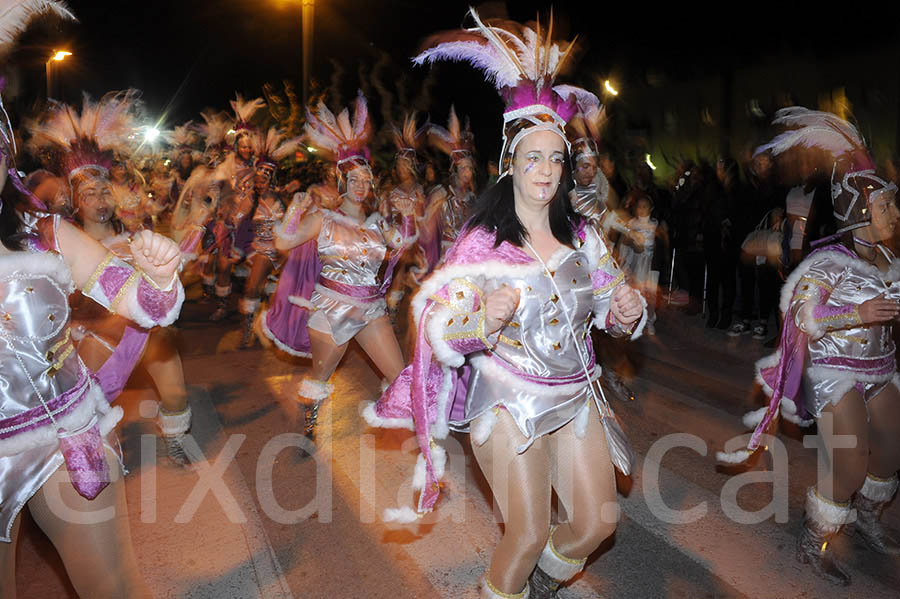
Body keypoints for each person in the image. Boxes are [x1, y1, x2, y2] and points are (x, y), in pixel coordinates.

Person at [369, 11, 646, 598]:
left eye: (556, 159)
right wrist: (479, 318)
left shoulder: (584, 236)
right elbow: (433, 320)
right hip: (508, 401)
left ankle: (545, 576)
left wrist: (625, 313)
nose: (546, 171)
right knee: (524, 534)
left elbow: (606, 308)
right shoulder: (481, 244)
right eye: (534, 157)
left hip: (575, 394)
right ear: (510, 163)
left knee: (600, 522)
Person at [0, 84, 184, 598]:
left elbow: (144, 304)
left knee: (114, 589)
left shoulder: (44, 235)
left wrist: (161, 276)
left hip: (66, 436)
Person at [718, 108, 900, 586]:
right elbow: (802, 318)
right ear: (860, 213)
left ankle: (867, 520)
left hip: (881, 368)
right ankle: (814, 537)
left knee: (890, 450)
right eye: (886, 207)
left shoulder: (889, 257)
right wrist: (855, 314)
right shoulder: (827, 263)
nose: (895, 214)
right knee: (851, 461)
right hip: (837, 372)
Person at [275, 92, 417, 436]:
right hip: (331, 309)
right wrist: (294, 210)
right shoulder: (322, 218)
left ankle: (415, 437)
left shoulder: (377, 224)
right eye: (354, 179)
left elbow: (403, 248)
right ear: (342, 181)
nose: (360, 185)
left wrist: (409, 220)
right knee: (320, 377)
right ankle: (309, 413)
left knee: (401, 378)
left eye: (366, 180)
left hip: (370, 308)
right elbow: (283, 242)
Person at [236, 126, 301, 348]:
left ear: (272, 180)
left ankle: (268, 326)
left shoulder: (284, 201)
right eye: (257, 180)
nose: (259, 184)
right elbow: (237, 220)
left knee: (268, 291)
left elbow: (296, 225)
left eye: (263, 180)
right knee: (251, 288)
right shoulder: (252, 200)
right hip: (260, 251)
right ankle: (248, 328)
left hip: (281, 251)